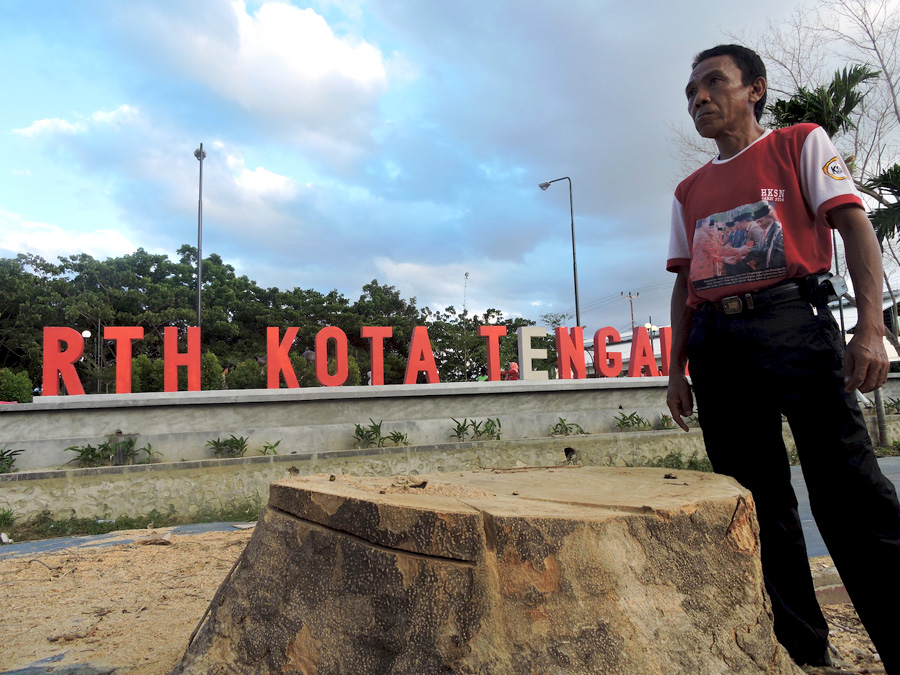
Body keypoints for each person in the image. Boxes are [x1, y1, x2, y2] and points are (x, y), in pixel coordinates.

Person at [666, 44, 900, 672]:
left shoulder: (800, 142)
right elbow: (684, 280)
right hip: (718, 345)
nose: (700, 99)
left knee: (849, 489)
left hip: (794, 325)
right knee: (759, 502)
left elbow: (854, 227)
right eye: (691, 93)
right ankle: (805, 654)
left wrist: (870, 328)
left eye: (714, 84)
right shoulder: (688, 190)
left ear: (756, 89)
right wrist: (676, 368)